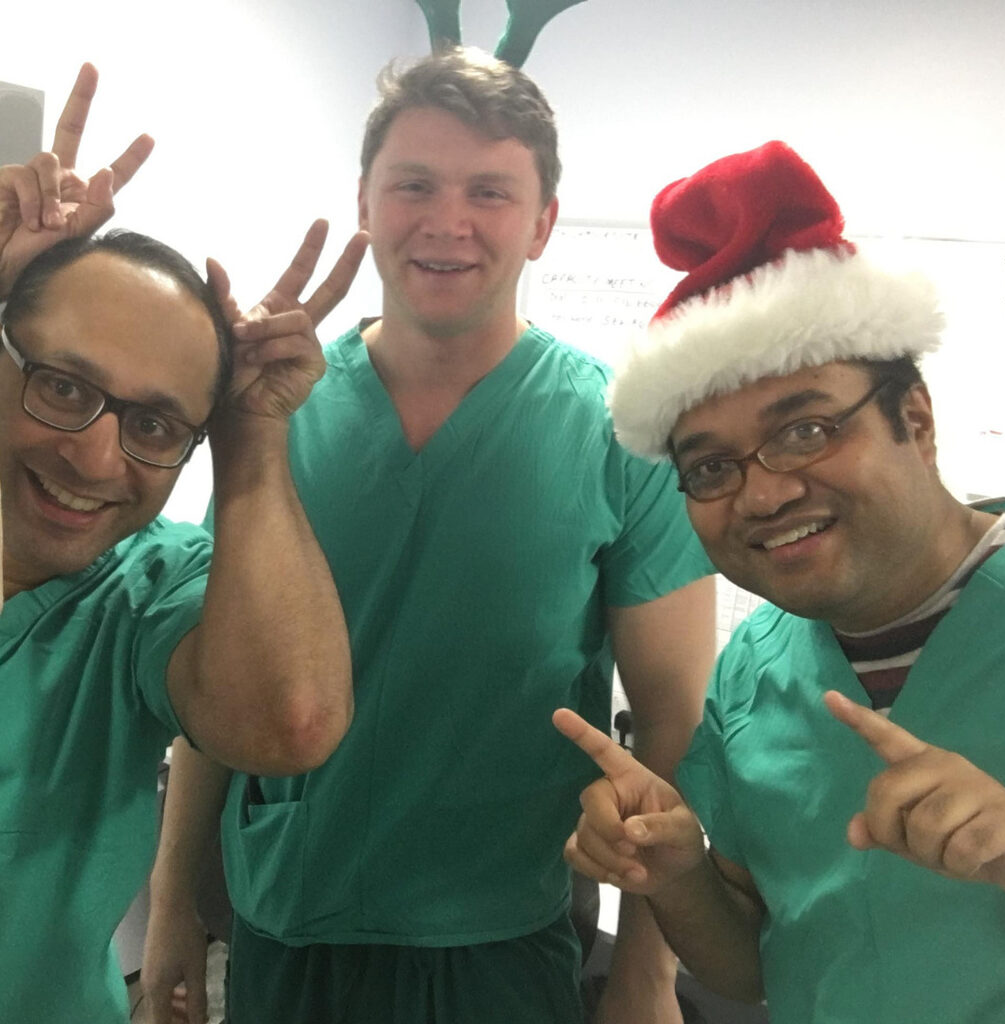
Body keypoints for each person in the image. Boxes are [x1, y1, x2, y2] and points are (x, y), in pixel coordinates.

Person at [143, 47, 716, 1024]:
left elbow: (670, 727)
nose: (446, 222)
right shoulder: (277, 410)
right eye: (414, 184)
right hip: (285, 928)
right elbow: (218, 688)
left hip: (496, 948)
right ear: (365, 204)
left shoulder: (622, 434)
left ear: (541, 224)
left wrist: (645, 974)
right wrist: (168, 914)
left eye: (489, 191)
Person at [555, 140, 1005, 1024]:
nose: (764, 492)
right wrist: (680, 872)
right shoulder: (751, 677)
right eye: (712, 466)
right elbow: (750, 971)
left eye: (806, 430)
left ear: (914, 420)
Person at [0, 65, 361, 1023]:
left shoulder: (145, 589)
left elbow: (291, 724)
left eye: (157, 425)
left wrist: (251, 442)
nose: (94, 454)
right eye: (64, 387)